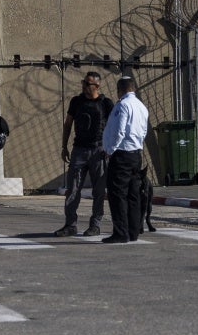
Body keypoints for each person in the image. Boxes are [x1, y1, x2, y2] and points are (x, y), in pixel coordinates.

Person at [54, 71, 114, 237]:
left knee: (99, 191)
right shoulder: (76, 101)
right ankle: (70, 224)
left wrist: (111, 148)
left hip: (99, 150)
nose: (84, 86)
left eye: (87, 84)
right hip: (79, 150)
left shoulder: (106, 103)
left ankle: (95, 225)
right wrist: (64, 146)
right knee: (72, 189)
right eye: (83, 83)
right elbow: (68, 124)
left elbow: (115, 127)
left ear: (97, 85)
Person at [101, 76, 149, 244]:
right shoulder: (141, 107)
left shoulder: (122, 105)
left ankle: (120, 232)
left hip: (121, 154)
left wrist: (110, 150)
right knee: (133, 194)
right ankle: (133, 231)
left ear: (119, 90)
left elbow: (119, 131)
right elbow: (143, 132)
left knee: (117, 194)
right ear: (133, 88)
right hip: (135, 153)